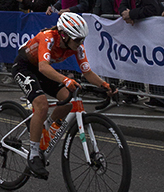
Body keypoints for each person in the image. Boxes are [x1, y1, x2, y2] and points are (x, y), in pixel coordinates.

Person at [11, 12, 115, 179]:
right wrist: (66, 79)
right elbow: (44, 67)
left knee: (67, 101)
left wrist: (105, 85)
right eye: (78, 39)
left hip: (41, 69)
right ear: (65, 35)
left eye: (83, 39)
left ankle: (45, 125)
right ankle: (34, 155)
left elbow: (87, 72)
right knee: (41, 105)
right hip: (24, 67)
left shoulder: (77, 46)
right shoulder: (48, 37)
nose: (81, 43)